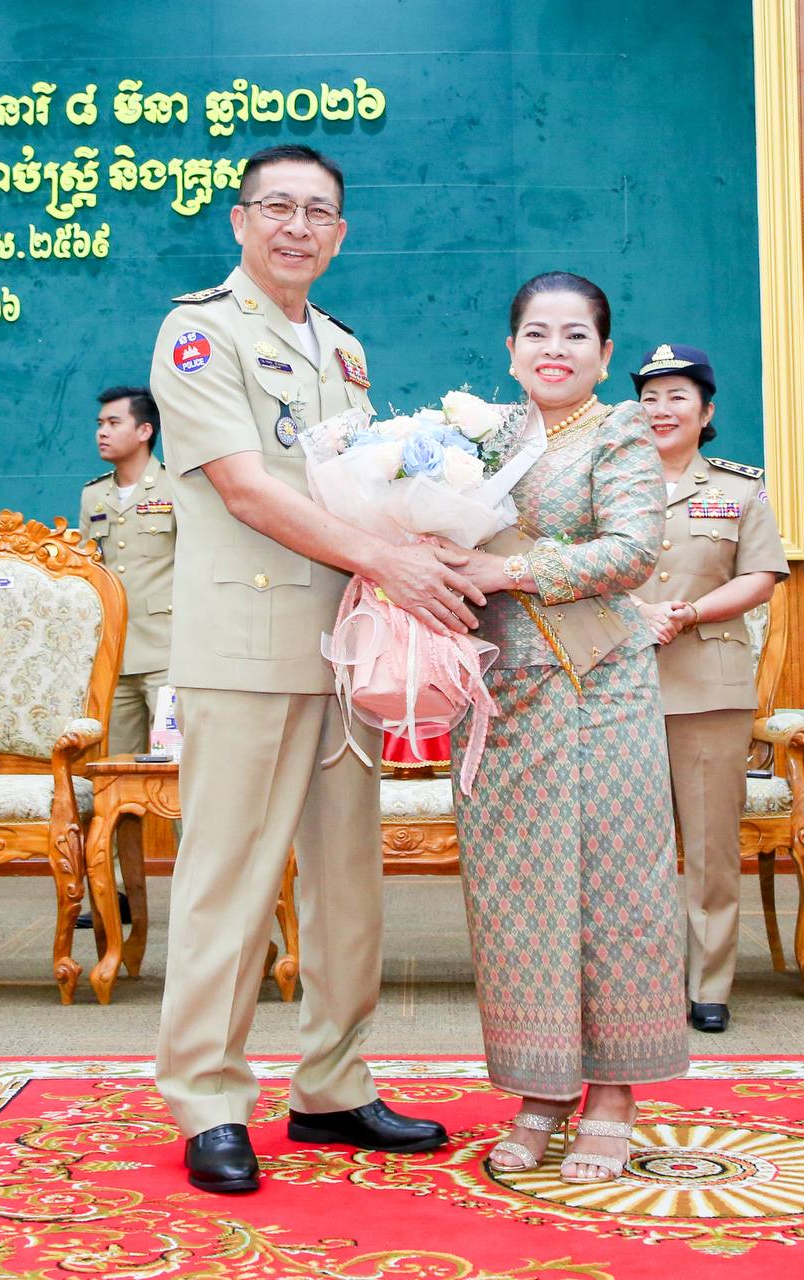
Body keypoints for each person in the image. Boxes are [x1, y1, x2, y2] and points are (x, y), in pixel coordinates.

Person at [149, 144, 485, 1195]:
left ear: (340, 233)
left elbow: (355, 487)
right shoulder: (200, 331)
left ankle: (333, 1084)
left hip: (347, 649)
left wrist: (419, 537)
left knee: (348, 884)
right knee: (231, 882)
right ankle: (209, 1099)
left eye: (318, 212)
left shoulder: (341, 346)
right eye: (278, 207)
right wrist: (387, 558)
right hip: (246, 644)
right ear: (240, 219)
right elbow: (246, 488)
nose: (297, 226)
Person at [445, 273, 689, 1184]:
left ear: (605, 354)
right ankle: (540, 1090)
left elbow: (632, 552)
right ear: (511, 350)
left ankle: (614, 1094)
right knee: (517, 897)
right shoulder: (476, 441)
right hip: (499, 698)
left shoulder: (618, 432)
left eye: (576, 335)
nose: (555, 349)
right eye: (538, 334)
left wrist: (509, 571)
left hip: (600, 691)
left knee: (614, 890)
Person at [630, 345, 789, 1033]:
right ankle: (635, 979)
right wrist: (635, 614)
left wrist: (688, 613)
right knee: (624, 846)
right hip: (618, 686)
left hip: (709, 689)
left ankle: (709, 985)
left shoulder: (740, 489)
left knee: (711, 846)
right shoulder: (611, 486)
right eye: (649, 398)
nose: (661, 410)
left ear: (705, 412)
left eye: (677, 398)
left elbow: (760, 577)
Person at [77, 385, 174, 927]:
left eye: (113, 422)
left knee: (182, 779)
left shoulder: (177, 488)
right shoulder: (93, 497)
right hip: (113, 660)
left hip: (168, 657)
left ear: (145, 430)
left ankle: (204, 893)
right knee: (109, 781)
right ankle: (110, 891)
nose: (102, 431)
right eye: (99, 423)